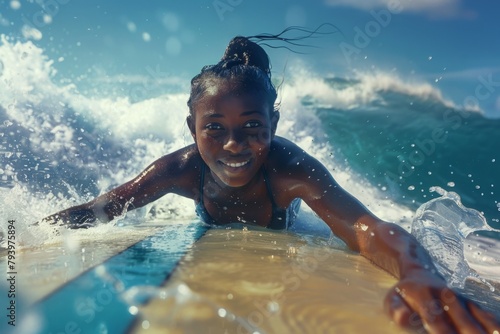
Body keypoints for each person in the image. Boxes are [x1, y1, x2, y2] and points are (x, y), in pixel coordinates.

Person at [42, 33, 499, 333]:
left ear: (274, 123)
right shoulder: (179, 170)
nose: (234, 145)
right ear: (191, 128)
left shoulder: (291, 171)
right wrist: (33, 229)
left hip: (287, 230)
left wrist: (417, 270)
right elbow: (109, 205)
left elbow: (365, 228)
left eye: (253, 127)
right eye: (214, 128)